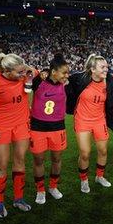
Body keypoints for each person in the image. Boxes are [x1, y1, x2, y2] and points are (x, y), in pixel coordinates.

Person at [0, 53, 37, 218]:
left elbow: (34, 71)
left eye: (23, 72)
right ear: (6, 70)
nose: (22, 75)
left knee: (20, 161)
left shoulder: (24, 75)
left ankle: (18, 198)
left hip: (21, 124)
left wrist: (28, 71)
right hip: (0, 125)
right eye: (18, 73)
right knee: (2, 165)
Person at [66, 54, 113, 193]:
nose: (106, 69)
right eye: (102, 67)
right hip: (82, 120)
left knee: (103, 151)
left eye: (107, 66)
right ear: (92, 70)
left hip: (100, 120)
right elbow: (62, 78)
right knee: (85, 153)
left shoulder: (110, 81)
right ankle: (84, 180)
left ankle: (99, 177)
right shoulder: (79, 79)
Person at [29, 54, 69, 204]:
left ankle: (53, 187)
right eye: (64, 72)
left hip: (58, 127)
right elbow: (26, 74)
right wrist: (40, 73)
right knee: (39, 160)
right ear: (54, 72)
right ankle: (40, 190)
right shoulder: (39, 81)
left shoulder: (66, 84)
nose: (66, 75)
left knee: (56, 159)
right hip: (38, 127)